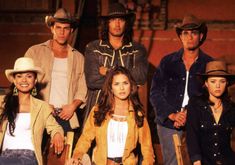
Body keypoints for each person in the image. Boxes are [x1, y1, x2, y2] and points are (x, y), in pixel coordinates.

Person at [150, 14, 213, 165]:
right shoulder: (168, 61)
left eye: (194, 33)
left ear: (201, 36)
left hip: (198, 122)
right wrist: (172, 114)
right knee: (172, 162)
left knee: (198, 162)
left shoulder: (209, 64)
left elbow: (212, 96)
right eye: (185, 33)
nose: (189, 37)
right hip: (168, 123)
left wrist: (189, 112)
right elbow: (155, 92)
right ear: (180, 36)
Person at [66, 66, 154, 165]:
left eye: (125, 83)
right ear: (111, 88)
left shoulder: (138, 115)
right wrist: (76, 157)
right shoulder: (99, 110)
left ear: (131, 86)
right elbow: (85, 138)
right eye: (116, 84)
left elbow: (147, 149)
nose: (121, 88)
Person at [24, 8, 87, 132]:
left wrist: (72, 106)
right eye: (58, 27)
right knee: (37, 150)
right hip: (40, 113)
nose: (62, 32)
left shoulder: (78, 57)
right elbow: (23, 83)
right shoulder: (35, 52)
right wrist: (42, 105)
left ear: (71, 31)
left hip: (66, 115)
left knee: (65, 150)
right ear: (52, 29)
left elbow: (83, 87)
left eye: (66, 28)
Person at [84, 2, 148, 121]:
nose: (117, 24)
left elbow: (140, 77)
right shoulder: (94, 48)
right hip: (98, 109)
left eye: (121, 20)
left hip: (128, 110)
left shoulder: (137, 49)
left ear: (126, 23)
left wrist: (108, 71)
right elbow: (92, 80)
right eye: (113, 19)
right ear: (107, 23)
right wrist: (126, 79)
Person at [0, 57, 64, 165]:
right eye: (19, 76)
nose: (24, 80)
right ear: (14, 81)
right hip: (5, 157)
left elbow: (54, 127)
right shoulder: (3, 103)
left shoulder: (42, 107)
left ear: (35, 81)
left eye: (29, 76)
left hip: (28, 157)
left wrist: (57, 134)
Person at [186, 60, 235, 165]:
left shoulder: (231, 108)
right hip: (204, 161)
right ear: (206, 83)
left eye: (222, 81)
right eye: (213, 81)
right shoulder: (195, 104)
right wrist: (196, 161)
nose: (218, 86)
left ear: (227, 83)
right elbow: (192, 134)